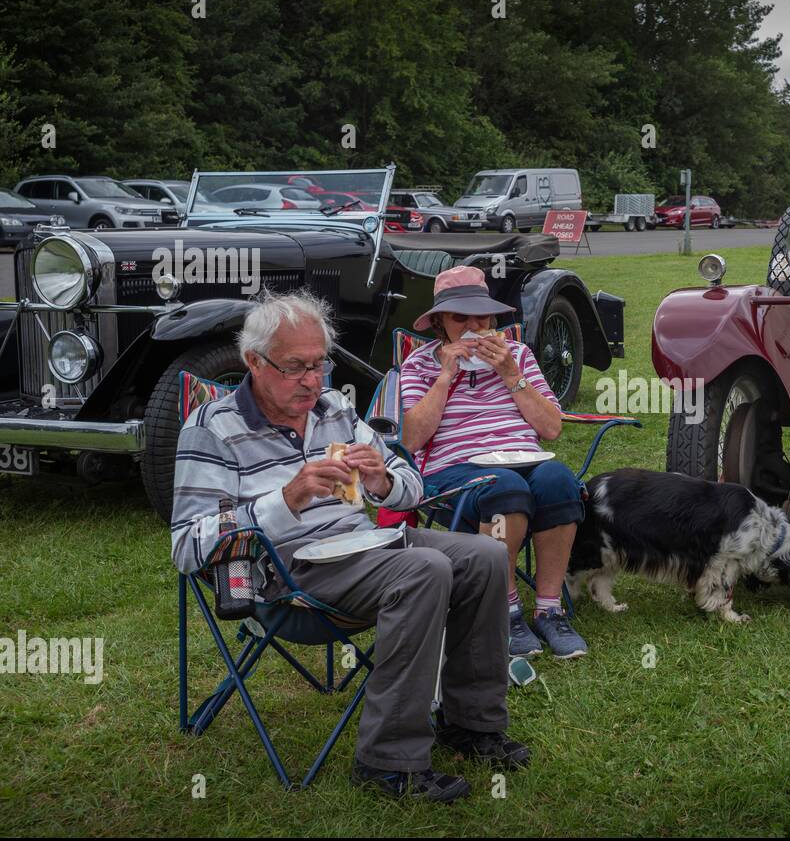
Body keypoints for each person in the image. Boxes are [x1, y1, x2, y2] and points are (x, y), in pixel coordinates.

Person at [170, 291, 527, 804]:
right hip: (285, 572)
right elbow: (187, 545)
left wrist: (382, 481)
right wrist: (287, 498)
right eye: (296, 368)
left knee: (486, 555)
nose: (313, 382)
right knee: (423, 569)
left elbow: (411, 485)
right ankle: (389, 763)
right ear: (254, 361)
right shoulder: (212, 429)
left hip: (366, 545)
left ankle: (471, 724)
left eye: (320, 365)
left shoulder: (335, 410)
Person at [400, 265, 588, 660]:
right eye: (460, 317)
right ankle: (506, 610)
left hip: (524, 458)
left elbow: (552, 428)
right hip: (454, 471)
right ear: (439, 322)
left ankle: (550, 610)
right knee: (506, 488)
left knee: (557, 478)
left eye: (481, 316)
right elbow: (413, 438)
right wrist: (444, 377)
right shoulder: (419, 365)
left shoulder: (517, 355)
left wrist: (509, 373)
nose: (473, 325)